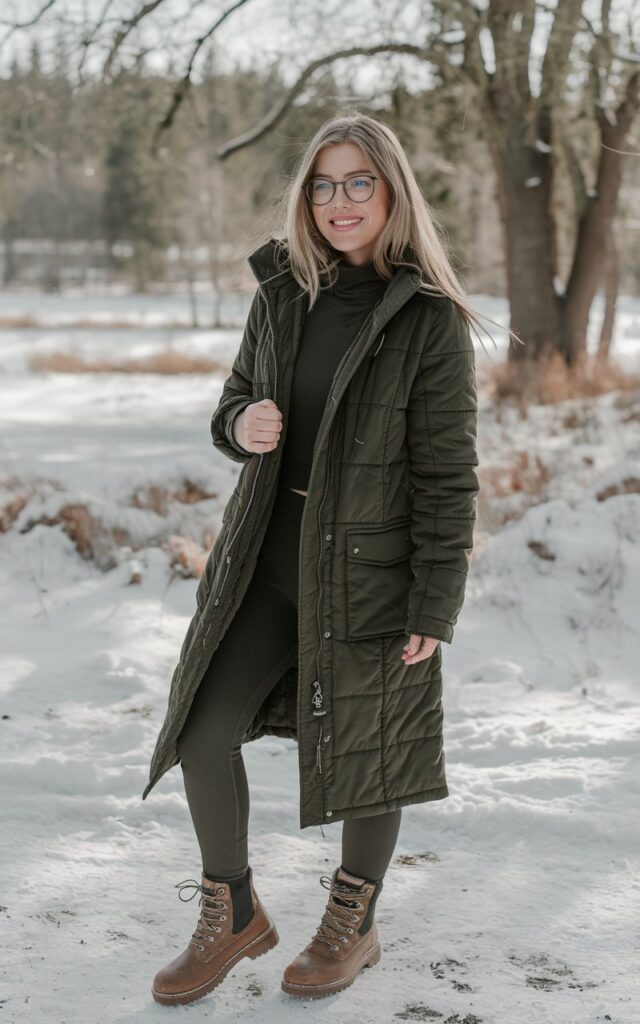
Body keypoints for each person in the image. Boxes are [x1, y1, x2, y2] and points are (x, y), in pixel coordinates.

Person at [147, 111, 494, 1006]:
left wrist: (433, 601)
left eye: (359, 183)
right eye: (324, 184)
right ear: (308, 196)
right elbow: (232, 399)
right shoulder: (280, 293)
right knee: (203, 729)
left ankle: (354, 918)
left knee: (369, 748)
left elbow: (449, 477)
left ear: (392, 194)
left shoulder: (428, 319)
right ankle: (231, 910)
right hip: (267, 561)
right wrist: (240, 423)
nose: (339, 202)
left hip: (374, 573)